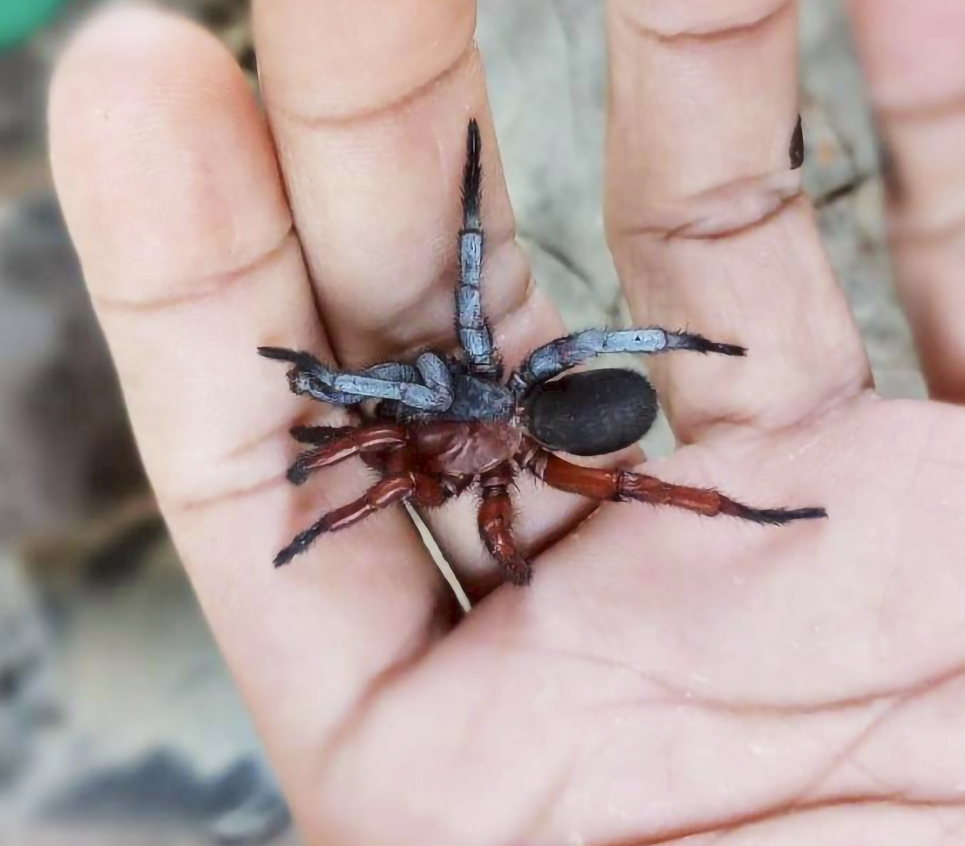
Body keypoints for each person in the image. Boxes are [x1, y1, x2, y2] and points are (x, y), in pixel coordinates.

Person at [48, 1, 965, 842]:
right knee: (577, 447)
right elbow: (454, 425)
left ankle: (747, 504)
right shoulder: (484, 428)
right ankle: (741, 495)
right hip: (531, 417)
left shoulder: (467, 445)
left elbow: (428, 437)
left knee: (619, 472)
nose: (430, 378)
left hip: (535, 421)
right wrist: (339, 427)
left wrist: (331, 502)